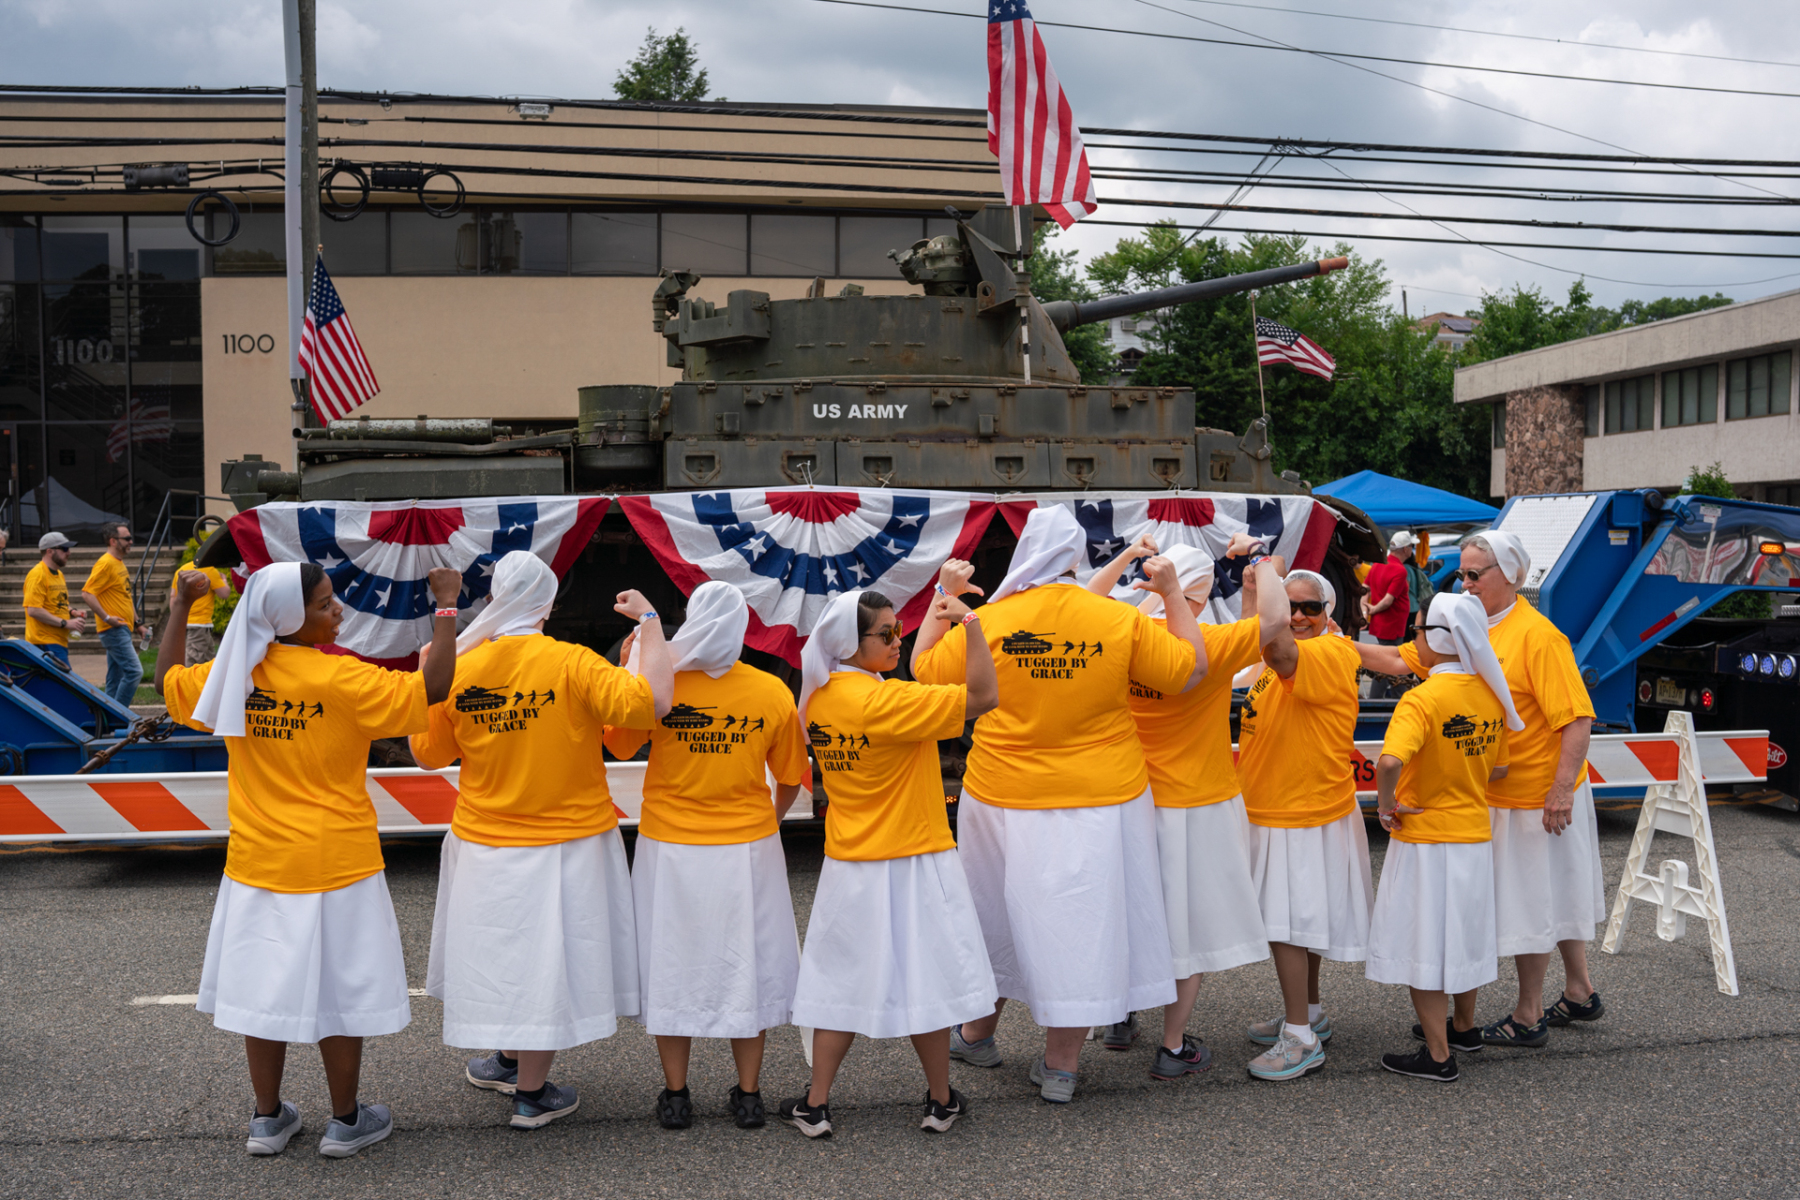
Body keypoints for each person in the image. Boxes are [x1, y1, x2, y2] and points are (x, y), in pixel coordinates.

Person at [155, 560, 461, 1158]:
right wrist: (445, 604)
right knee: (340, 998)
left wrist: (179, 607)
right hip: (338, 864)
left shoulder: (233, 675)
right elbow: (434, 687)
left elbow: (169, 681)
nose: (338, 609)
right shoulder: (342, 678)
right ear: (291, 618)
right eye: (325, 604)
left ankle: (267, 1119)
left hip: (258, 865)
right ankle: (346, 1121)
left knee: (261, 994)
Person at [913, 506, 1204, 1104]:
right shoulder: (1115, 617)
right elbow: (1186, 670)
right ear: (1076, 559)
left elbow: (925, 672)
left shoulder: (992, 618)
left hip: (1001, 793)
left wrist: (943, 596)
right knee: (1081, 926)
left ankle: (977, 1033)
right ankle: (1061, 1066)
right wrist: (1173, 594)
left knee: (993, 915)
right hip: (1101, 795)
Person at [411, 552, 672, 1130]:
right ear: (547, 605)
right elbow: (652, 703)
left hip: (483, 842)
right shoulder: (573, 663)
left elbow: (428, 755)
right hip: (567, 842)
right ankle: (531, 1093)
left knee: (509, 956)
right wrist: (651, 624)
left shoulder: (460, 666)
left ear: (495, 599)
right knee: (548, 962)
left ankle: (508, 1060)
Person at [1357, 530, 1605, 1046]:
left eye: (1475, 574)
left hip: (1537, 796)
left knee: (1531, 906)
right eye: (1462, 574)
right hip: (1496, 789)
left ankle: (1528, 1014)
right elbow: (1402, 660)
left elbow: (1577, 718)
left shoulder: (1538, 636)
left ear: (1510, 575)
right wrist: (1329, 646)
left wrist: (1561, 790)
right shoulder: (1467, 622)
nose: (1465, 583)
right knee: (1552, 897)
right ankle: (1579, 989)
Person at [780, 587, 1000, 1137]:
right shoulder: (889, 702)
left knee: (838, 986)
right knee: (929, 983)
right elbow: (984, 695)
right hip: (916, 860)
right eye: (887, 634)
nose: (898, 641)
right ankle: (940, 1100)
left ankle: (816, 1103)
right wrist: (971, 623)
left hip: (850, 864)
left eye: (897, 630)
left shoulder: (822, 699)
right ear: (851, 643)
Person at [601, 581, 810, 1133]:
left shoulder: (662, 683)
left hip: (669, 847)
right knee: (749, 967)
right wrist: (766, 819)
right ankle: (749, 1095)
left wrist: (631, 668)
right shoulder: (771, 691)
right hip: (747, 847)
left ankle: (676, 1095)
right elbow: (791, 776)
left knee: (672, 966)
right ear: (741, 628)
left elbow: (617, 743)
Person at [1082, 533, 1274, 1079]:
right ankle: (1171, 1045)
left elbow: (1087, 603)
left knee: (1128, 915)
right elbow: (1275, 623)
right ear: (1203, 592)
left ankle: (1119, 1017)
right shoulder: (1212, 642)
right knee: (1187, 929)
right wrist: (1259, 561)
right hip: (1200, 802)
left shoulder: (1124, 632)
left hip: (1130, 797)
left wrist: (1128, 559)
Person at [1366, 591, 1522, 1082]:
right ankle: (1464, 1027)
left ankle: (1437, 1055)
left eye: (1416, 632)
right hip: (1473, 836)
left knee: (1424, 948)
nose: (1413, 641)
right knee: (1463, 938)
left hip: (1426, 840)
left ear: (1437, 639)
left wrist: (1386, 804)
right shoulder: (1491, 694)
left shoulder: (1422, 698)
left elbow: (1389, 762)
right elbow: (1499, 770)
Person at [1235, 551, 1374, 1082]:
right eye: (1289, 606)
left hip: (1301, 809)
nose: (1295, 615)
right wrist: (1254, 591)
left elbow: (1277, 648)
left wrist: (1267, 569)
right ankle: (1309, 1011)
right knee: (1299, 921)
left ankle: (1300, 1038)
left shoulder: (1328, 652)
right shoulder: (1294, 649)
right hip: (1285, 805)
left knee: (1287, 926)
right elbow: (1251, 647)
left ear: (1328, 611)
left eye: (1308, 607)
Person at [82, 523, 149, 705]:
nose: (131, 541)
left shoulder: (118, 563)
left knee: (115, 678)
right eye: (126, 538)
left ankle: (107, 716)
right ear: (113, 541)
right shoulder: (105, 564)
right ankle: (118, 715)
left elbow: (125, 597)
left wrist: (138, 624)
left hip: (122, 629)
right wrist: (107, 618)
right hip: (113, 630)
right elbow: (87, 593)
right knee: (134, 672)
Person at [23, 531, 86, 666]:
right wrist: (65, 623)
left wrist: (73, 612)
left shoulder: (59, 574)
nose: (69, 553)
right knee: (64, 680)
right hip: (44, 643)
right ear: (49, 551)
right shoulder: (37, 574)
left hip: (57, 642)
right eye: (64, 549)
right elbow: (33, 610)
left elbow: (58, 602)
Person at [172, 563, 232, 665]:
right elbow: (224, 594)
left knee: (209, 661)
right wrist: (224, 580)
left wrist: (176, 619)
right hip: (200, 623)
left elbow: (172, 597)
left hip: (185, 622)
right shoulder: (210, 570)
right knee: (192, 661)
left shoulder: (181, 570)